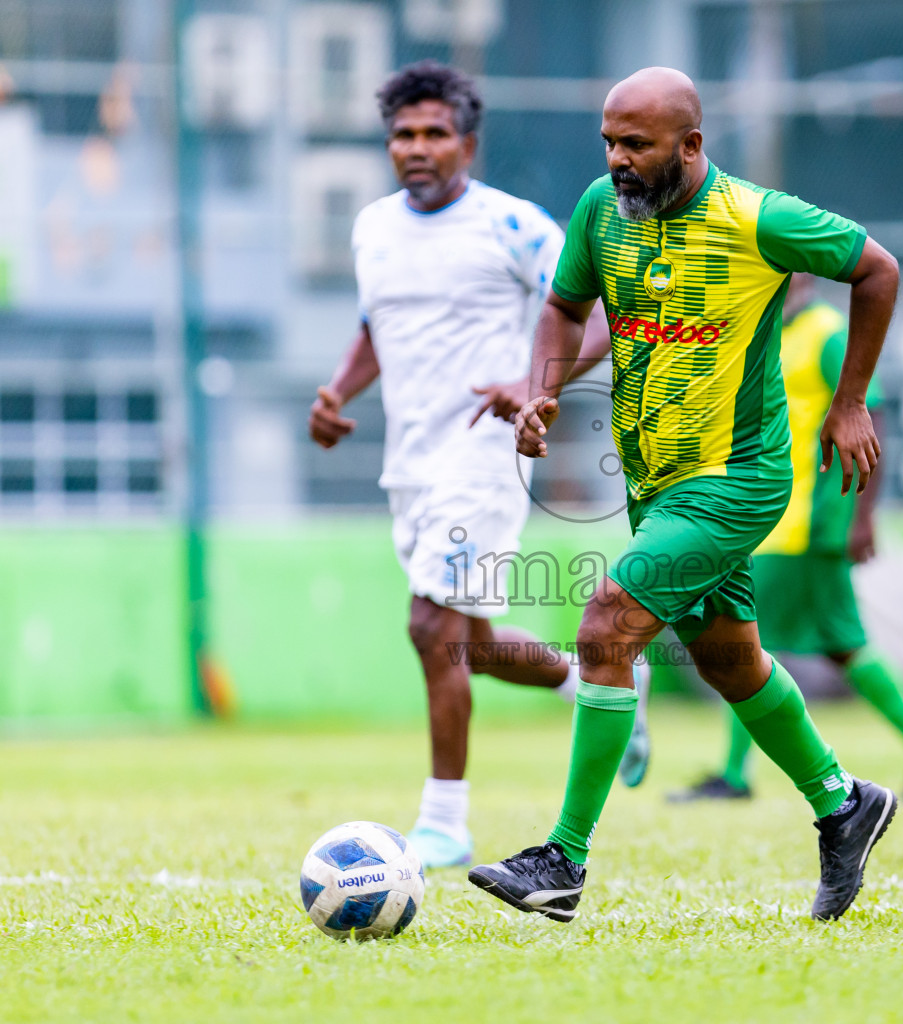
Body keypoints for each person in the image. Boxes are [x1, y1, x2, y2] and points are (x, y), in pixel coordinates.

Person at [468, 67, 901, 923]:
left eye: (637, 145)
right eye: (609, 142)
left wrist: (849, 401)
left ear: (691, 145)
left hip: (736, 481)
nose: (619, 160)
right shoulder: (601, 210)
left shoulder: (756, 218)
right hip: (654, 484)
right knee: (729, 663)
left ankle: (562, 860)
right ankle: (843, 803)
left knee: (604, 625)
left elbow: (877, 269)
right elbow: (563, 303)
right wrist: (542, 385)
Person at [308, 61, 648, 870]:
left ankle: (444, 818)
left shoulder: (516, 227)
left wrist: (537, 384)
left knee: (430, 625)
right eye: (402, 135)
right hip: (412, 459)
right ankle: (589, 685)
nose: (416, 148)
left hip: (490, 453)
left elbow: (600, 313)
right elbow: (374, 327)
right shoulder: (372, 229)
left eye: (433, 133)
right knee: (476, 643)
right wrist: (336, 390)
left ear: (467, 141)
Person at [669, 273, 903, 804]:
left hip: (800, 526)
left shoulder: (827, 334)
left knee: (743, 643)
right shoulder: (764, 334)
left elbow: (869, 417)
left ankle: (736, 775)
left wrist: (862, 515)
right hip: (787, 526)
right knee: (840, 644)